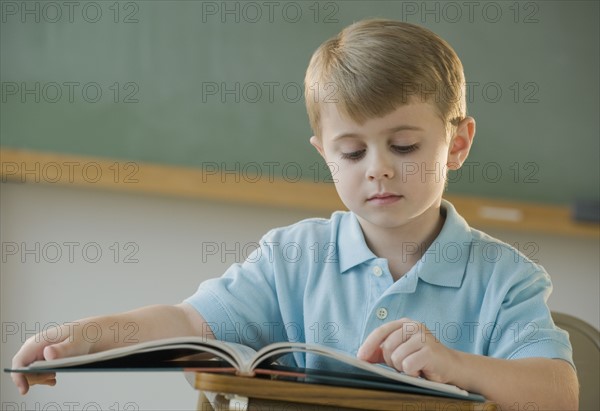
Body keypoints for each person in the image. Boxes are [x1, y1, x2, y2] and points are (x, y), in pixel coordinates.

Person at [11, 19, 578, 409]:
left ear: (456, 144)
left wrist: (457, 365)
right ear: (325, 156)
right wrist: (86, 336)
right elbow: (188, 325)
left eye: (403, 146)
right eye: (352, 152)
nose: (376, 169)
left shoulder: (505, 279)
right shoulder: (295, 256)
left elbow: (559, 394)